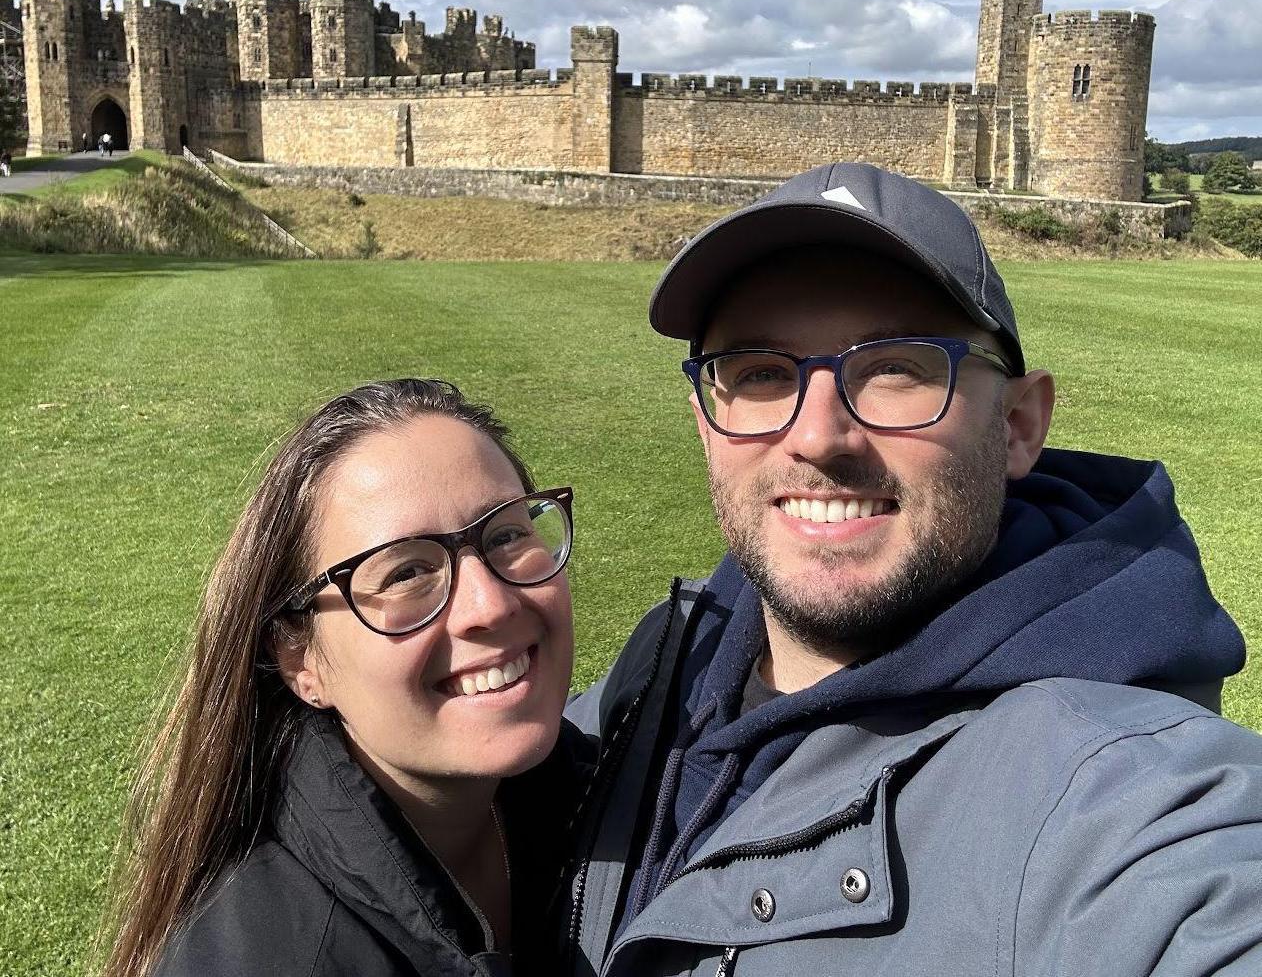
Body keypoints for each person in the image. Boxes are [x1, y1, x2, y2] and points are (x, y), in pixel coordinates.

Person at [565, 163, 1262, 976]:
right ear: (706, 420)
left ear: (1017, 424)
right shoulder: (674, 651)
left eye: (896, 367)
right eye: (759, 371)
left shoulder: (1121, 796)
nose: (820, 437)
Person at [100, 378, 585, 977]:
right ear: (301, 660)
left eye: (508, 533)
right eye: (406, 572)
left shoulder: (598, 787)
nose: (490, 605)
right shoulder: (271, 959)